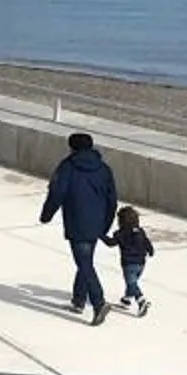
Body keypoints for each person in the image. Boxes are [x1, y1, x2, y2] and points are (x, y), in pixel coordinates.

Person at [39, 131, 119, 325]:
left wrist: (46, 215)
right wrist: (105, 224)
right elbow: (112, 199)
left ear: (72, 147)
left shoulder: (67, 167)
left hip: (77, 221)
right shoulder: (104, 169)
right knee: (86, 260)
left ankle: (99, 302)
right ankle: (78, 300)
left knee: (84, 263)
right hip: (97, 222)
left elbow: (56, 193)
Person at [110, 205, 155, 315]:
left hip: (128, 264)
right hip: (141, 264)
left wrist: (100, 235)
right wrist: (150, 251)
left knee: (131, 283)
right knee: (132, 282)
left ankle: (141, 300)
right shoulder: (140, 231)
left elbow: (111, 243)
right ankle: (126, 299)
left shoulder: (120, 233)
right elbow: (147, 242)